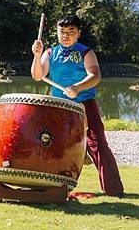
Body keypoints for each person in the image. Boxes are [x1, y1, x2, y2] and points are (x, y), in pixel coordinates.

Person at [31, 14, 124, 197]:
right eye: (62, 31)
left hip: (84, 104)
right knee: (50, 144)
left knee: (98, 144)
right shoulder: (50, 53)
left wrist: (78, 87)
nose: (66, 35)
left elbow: (95, 75)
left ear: (78, 33)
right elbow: (37, 75)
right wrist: (36, 55)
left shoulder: (85, 52)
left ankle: (114, 190)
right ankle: (50, 187)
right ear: (57, 32)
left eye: (71, 31)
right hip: (59, 107)